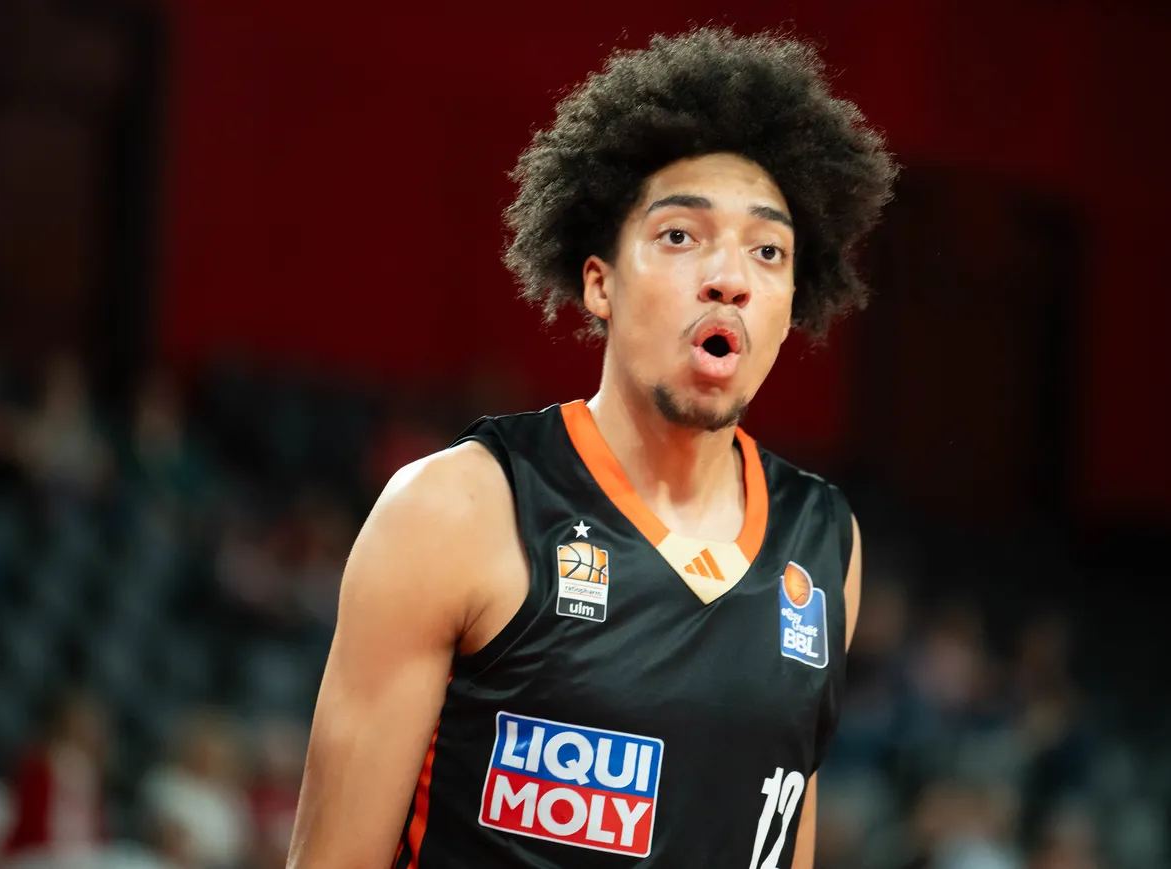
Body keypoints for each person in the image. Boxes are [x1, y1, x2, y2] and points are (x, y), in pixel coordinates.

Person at [288, 27, 896, 869]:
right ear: (600, 282)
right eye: (680, 235)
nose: (729, 278)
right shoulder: (457, 508)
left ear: (791, 303)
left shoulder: (825, 543)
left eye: (768, 251)